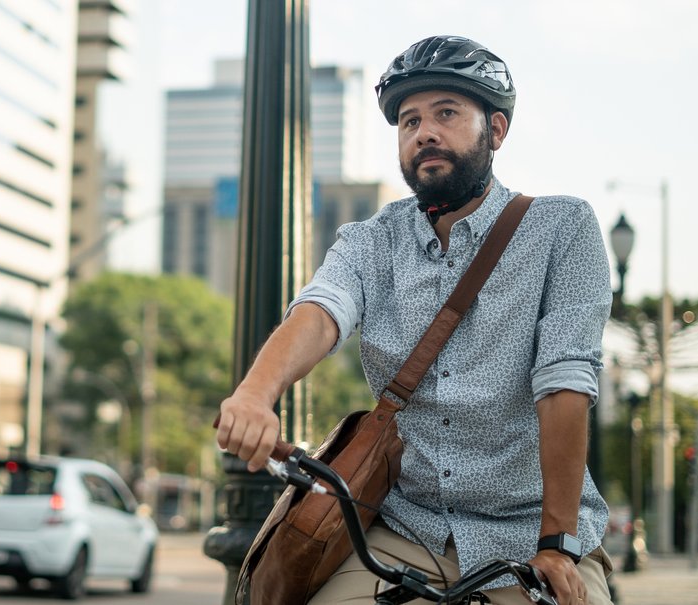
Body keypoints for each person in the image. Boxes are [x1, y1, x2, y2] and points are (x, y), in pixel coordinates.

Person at [215, 35, 614, 605]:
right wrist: (256, 394)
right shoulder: (372, 240)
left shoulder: (562, 229)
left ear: (496, 131)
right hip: (404, 526)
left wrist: (557, 541)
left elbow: (565, 381)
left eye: (446, 113)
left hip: (533, 531)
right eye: (408, 121)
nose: (424, 131)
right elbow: (322, 310)